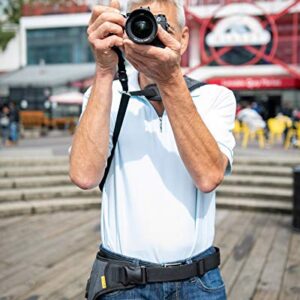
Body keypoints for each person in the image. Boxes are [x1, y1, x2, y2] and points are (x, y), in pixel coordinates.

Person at [69, 0, 236, 299]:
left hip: (197, 280)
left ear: (183, 38)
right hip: (124, 282)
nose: (149, 32)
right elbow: (83, 176)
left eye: (161, 24)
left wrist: (169, 79)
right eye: (141, 23)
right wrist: (105, 71)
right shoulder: (105, 93)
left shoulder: (214, 97)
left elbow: (209, 176)